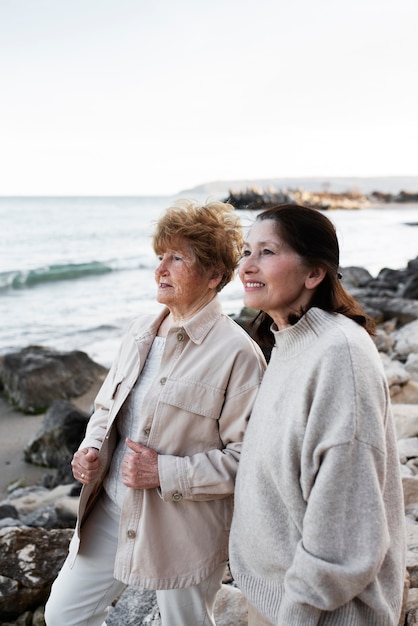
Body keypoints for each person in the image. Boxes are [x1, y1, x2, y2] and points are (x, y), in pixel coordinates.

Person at [45, 199, 266, 626]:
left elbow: (250, 462)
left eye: (177, 258)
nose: (160, 268)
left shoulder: (239, 354)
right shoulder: (139, 331)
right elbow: (105, 407)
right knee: (62, 616)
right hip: (111, 509)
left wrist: (164, 473)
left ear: (214, 276)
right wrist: (90, 450)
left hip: (183, 528)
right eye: (160, 256)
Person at [229, 204, 406, 625]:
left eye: (267, 252)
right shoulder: (289, 342)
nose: (247, 267)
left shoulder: (339, 356)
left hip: (321, 614)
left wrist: (297, 612)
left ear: (314, 274)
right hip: (276, 597)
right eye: (245, 251)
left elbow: (345, 529)